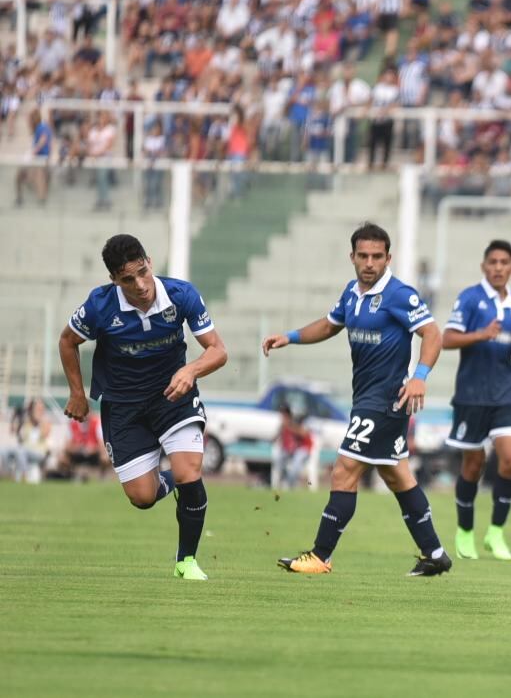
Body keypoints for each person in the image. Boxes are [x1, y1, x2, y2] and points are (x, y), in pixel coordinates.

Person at [263, 223, 452, 577]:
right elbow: (331, 324)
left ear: (388, 258)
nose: (369, 263)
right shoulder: (352, 293)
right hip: (366, 397)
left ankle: (320, 555)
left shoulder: (400, 295)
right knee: (398, 476)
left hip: (385, 401)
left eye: (377, 256)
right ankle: (435, 553)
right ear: (351, 257)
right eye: (363, 256)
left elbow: (432, 333)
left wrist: (420, 378)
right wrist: (290, 337)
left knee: (344, 470)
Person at [58, 234, 228, 580]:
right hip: (123, 407)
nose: (140, 285)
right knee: (142, 497)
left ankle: (186, 561)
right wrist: (77, 392)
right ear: (114, 281)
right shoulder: (99, 306)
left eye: (142, 272)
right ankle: (171, 482)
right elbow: (67, 340)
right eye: (127, 279)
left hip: (172, 396)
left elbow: (217, 350)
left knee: (189, 471)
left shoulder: (181, 295)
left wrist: (190, 369)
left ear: (149, 261)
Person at [442, 240, 511, 561]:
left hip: (505, 395)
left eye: (504, 262)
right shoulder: (469, 298)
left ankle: (496, 533)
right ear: (483, 266)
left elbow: (504, 343)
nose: (498, 267)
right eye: (492, 261)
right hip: (471, 397)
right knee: (473, 464)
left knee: (510, 459)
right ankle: (465, 531)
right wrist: (479, 334)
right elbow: (448, 338)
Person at [274, 405, 315, 490]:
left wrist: (290, 427)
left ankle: (291, 485)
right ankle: (287, 481)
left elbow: (304, 434)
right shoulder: (283, 425)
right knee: (279, 459)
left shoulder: (298, 422)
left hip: (304, 449)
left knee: (296, 464)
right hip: (292, 450)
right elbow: (278, 439)